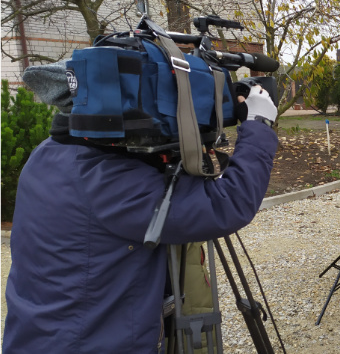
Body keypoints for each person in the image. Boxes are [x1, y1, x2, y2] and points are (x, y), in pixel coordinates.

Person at [3, 62, 279, 353]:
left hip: (40, 335)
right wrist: (259, 125)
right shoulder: (108, 179)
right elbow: (227, 203)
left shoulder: (49, 152)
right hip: (87, 343)